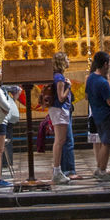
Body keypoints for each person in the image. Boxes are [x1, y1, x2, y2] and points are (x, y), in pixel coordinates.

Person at [85, 51, 110, 180]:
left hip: (96, 114)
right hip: (106, 115)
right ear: (105, 64)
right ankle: (102, 170)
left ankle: (99, 168)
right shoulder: (102, 82)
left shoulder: (91, 77)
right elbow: (109, 102)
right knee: (107, 143)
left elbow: (87, 96)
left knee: (103, 141)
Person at [48, 51, 74, 185]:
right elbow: (61, 97)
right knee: (59, 141)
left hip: (58, 110)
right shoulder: (59, 78)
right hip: (59, 110)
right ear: (62, 62)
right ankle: (57, 171)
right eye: (67, 58)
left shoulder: (57, 76)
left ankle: (57, 171)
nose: (69, 60)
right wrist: (68, 87)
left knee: (60, 140)